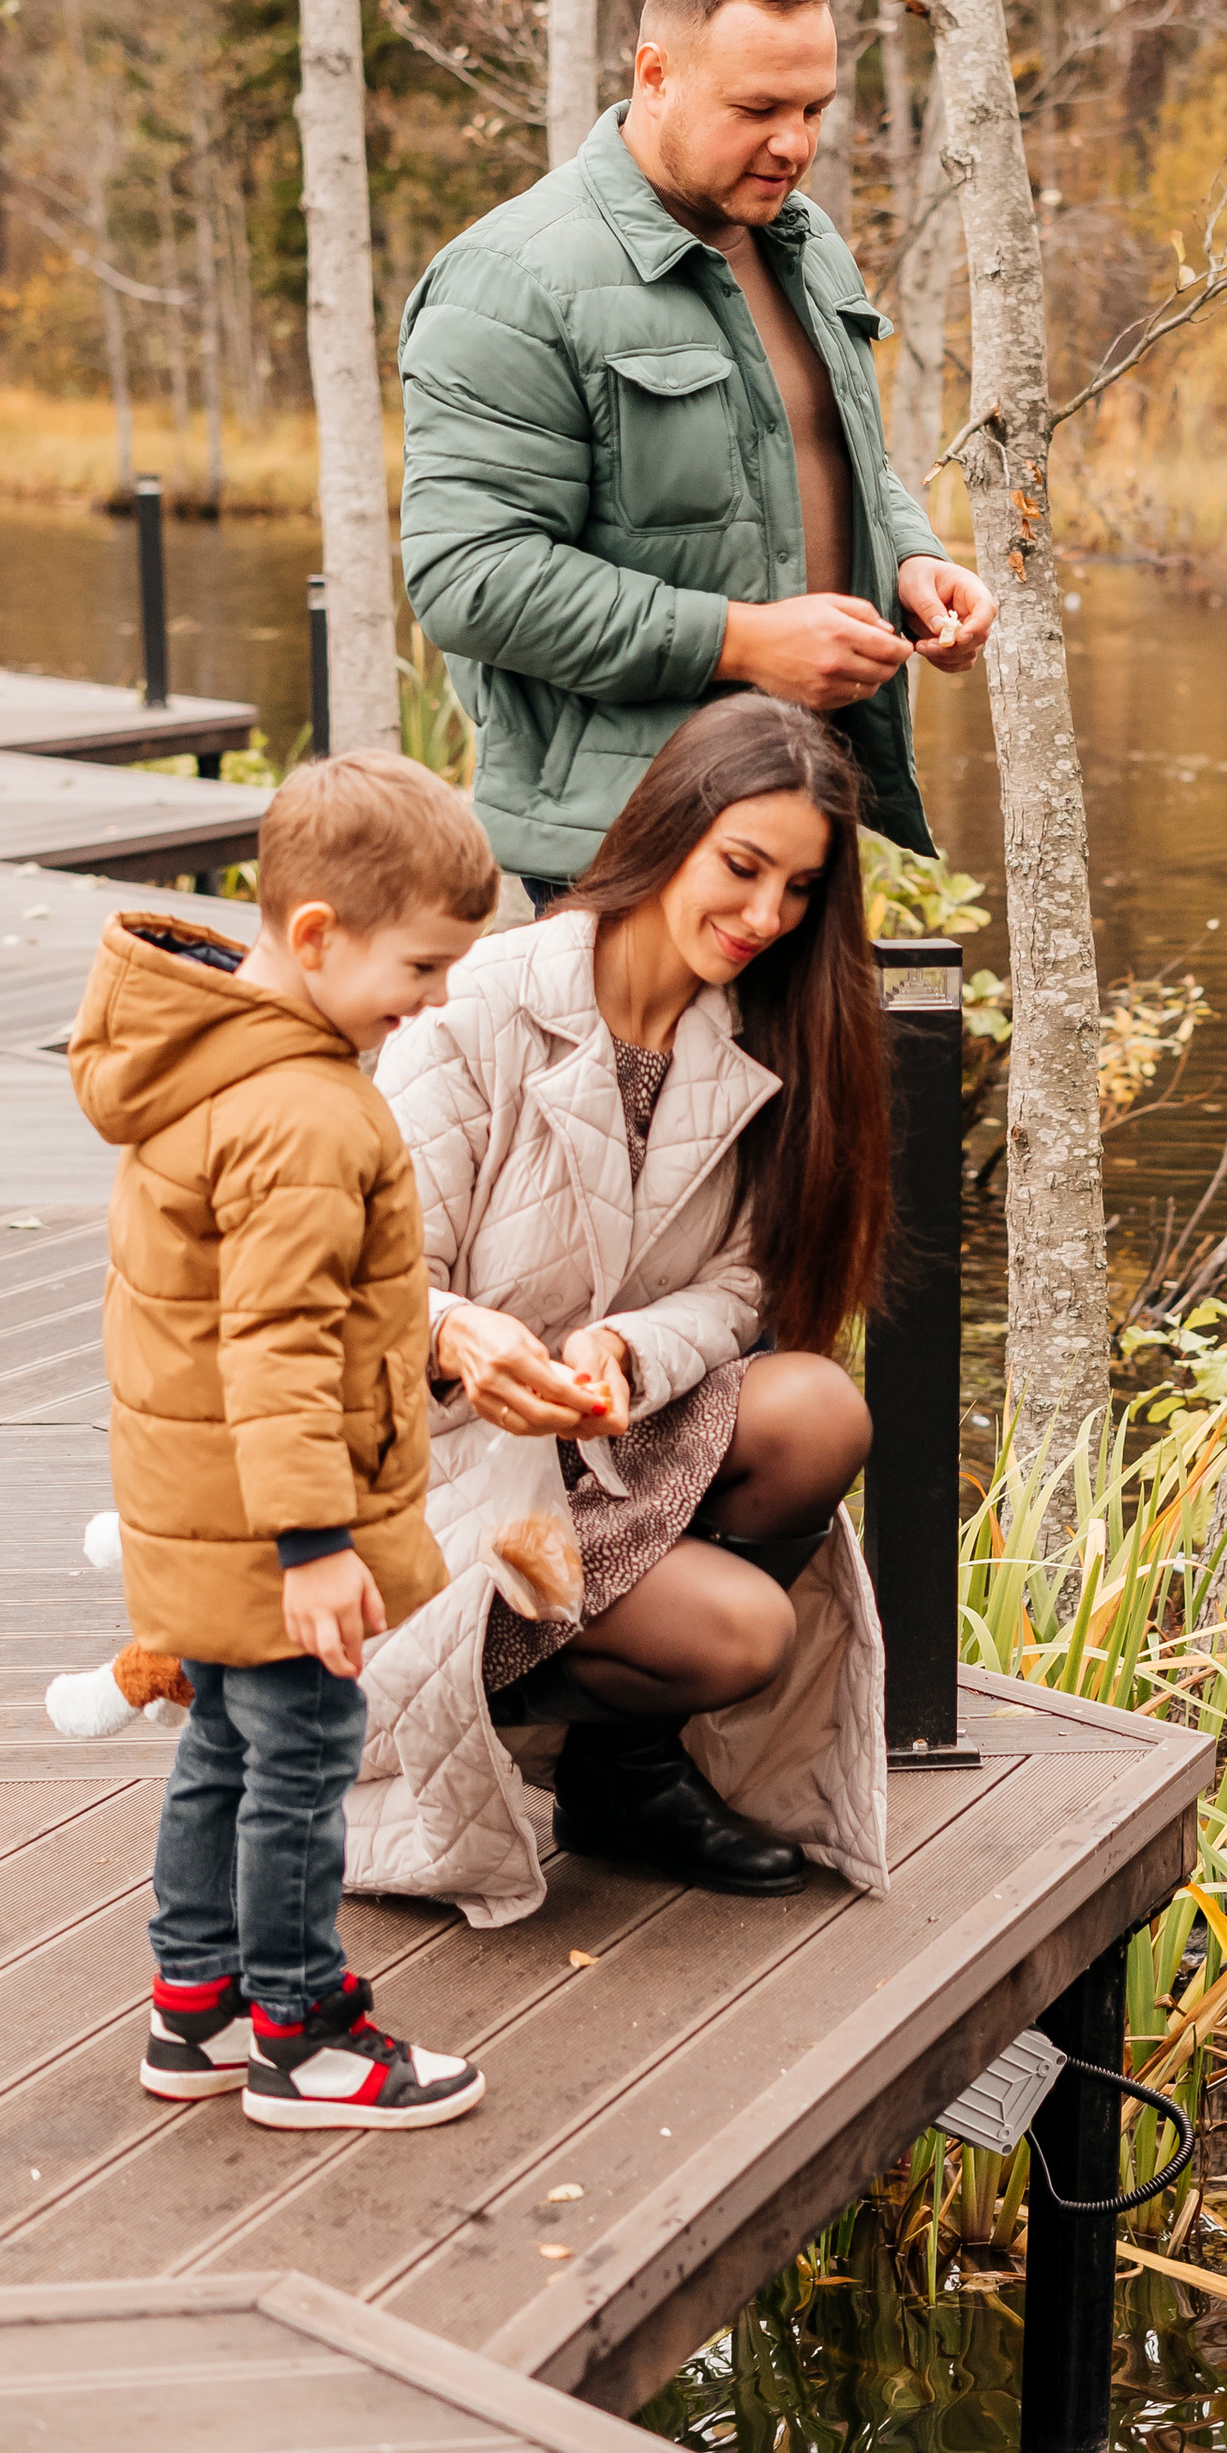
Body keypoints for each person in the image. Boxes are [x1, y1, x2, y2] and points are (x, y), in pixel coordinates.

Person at [352, 696, 892, 1916]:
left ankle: (619, 1774)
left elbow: (748, 1282)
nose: (766, 918)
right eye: (742, 869)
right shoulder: (483, 999)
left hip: (603, 1439)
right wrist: (454, 1333)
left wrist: (627, 1352)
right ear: (669, 831)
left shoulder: (771, 1029)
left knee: (817, 1409)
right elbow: (356, 1269)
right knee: (742, 1635)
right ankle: (488, 1705)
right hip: (448, 1465)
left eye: (799, 889)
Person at [65, 751, 502, 2130]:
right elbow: (277, 1349)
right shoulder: (304, 1111)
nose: (433, 1003)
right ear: (316, 936)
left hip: (200, 1500)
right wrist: (316, 1545)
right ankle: (301, 2033)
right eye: (419, 970)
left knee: (224, 1754)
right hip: (273, 1526)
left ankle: (192, 2007)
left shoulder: (210, 1058)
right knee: (302, 1761)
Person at [397, 0, 998, 905]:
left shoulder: (805, 247)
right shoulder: (511, 281)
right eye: (757, 107)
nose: (793, 144)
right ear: (655, 74)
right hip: (629, 851)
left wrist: (913, 563)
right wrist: (746, 640)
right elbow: (471, 579)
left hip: (804, 821)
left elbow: (831, 456)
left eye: (814, 109)